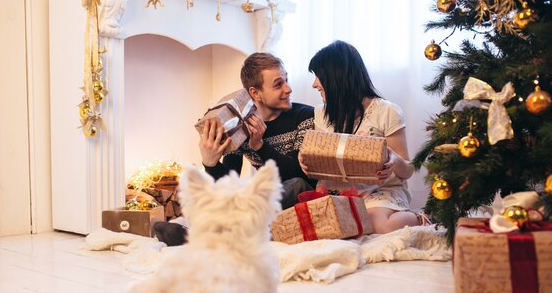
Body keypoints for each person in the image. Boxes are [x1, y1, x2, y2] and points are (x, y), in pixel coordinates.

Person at [155, 52, 316, 246]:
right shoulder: (240, 127)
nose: (288, 89)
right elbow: (228, 181)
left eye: (286, 81)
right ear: (255, 93)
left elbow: (303, 175)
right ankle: (204, 233)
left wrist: (261, 147)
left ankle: (202, 237)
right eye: (278, 84)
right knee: (234, 194)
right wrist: (210, 163)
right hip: (266, 209)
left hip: (303, 197)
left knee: (295, 183)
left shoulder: (305, 116)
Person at [301, 40, 422, 234]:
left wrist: (394, 160)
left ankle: (422, 218)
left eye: (319, 76)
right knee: (323, 228)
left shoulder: (386, 111)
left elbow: (407, 170)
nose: (314, 84)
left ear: (338, 77)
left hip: (379, 193)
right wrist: (307, 160)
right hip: (337, 193)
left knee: (379, 226)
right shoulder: (320, 114)